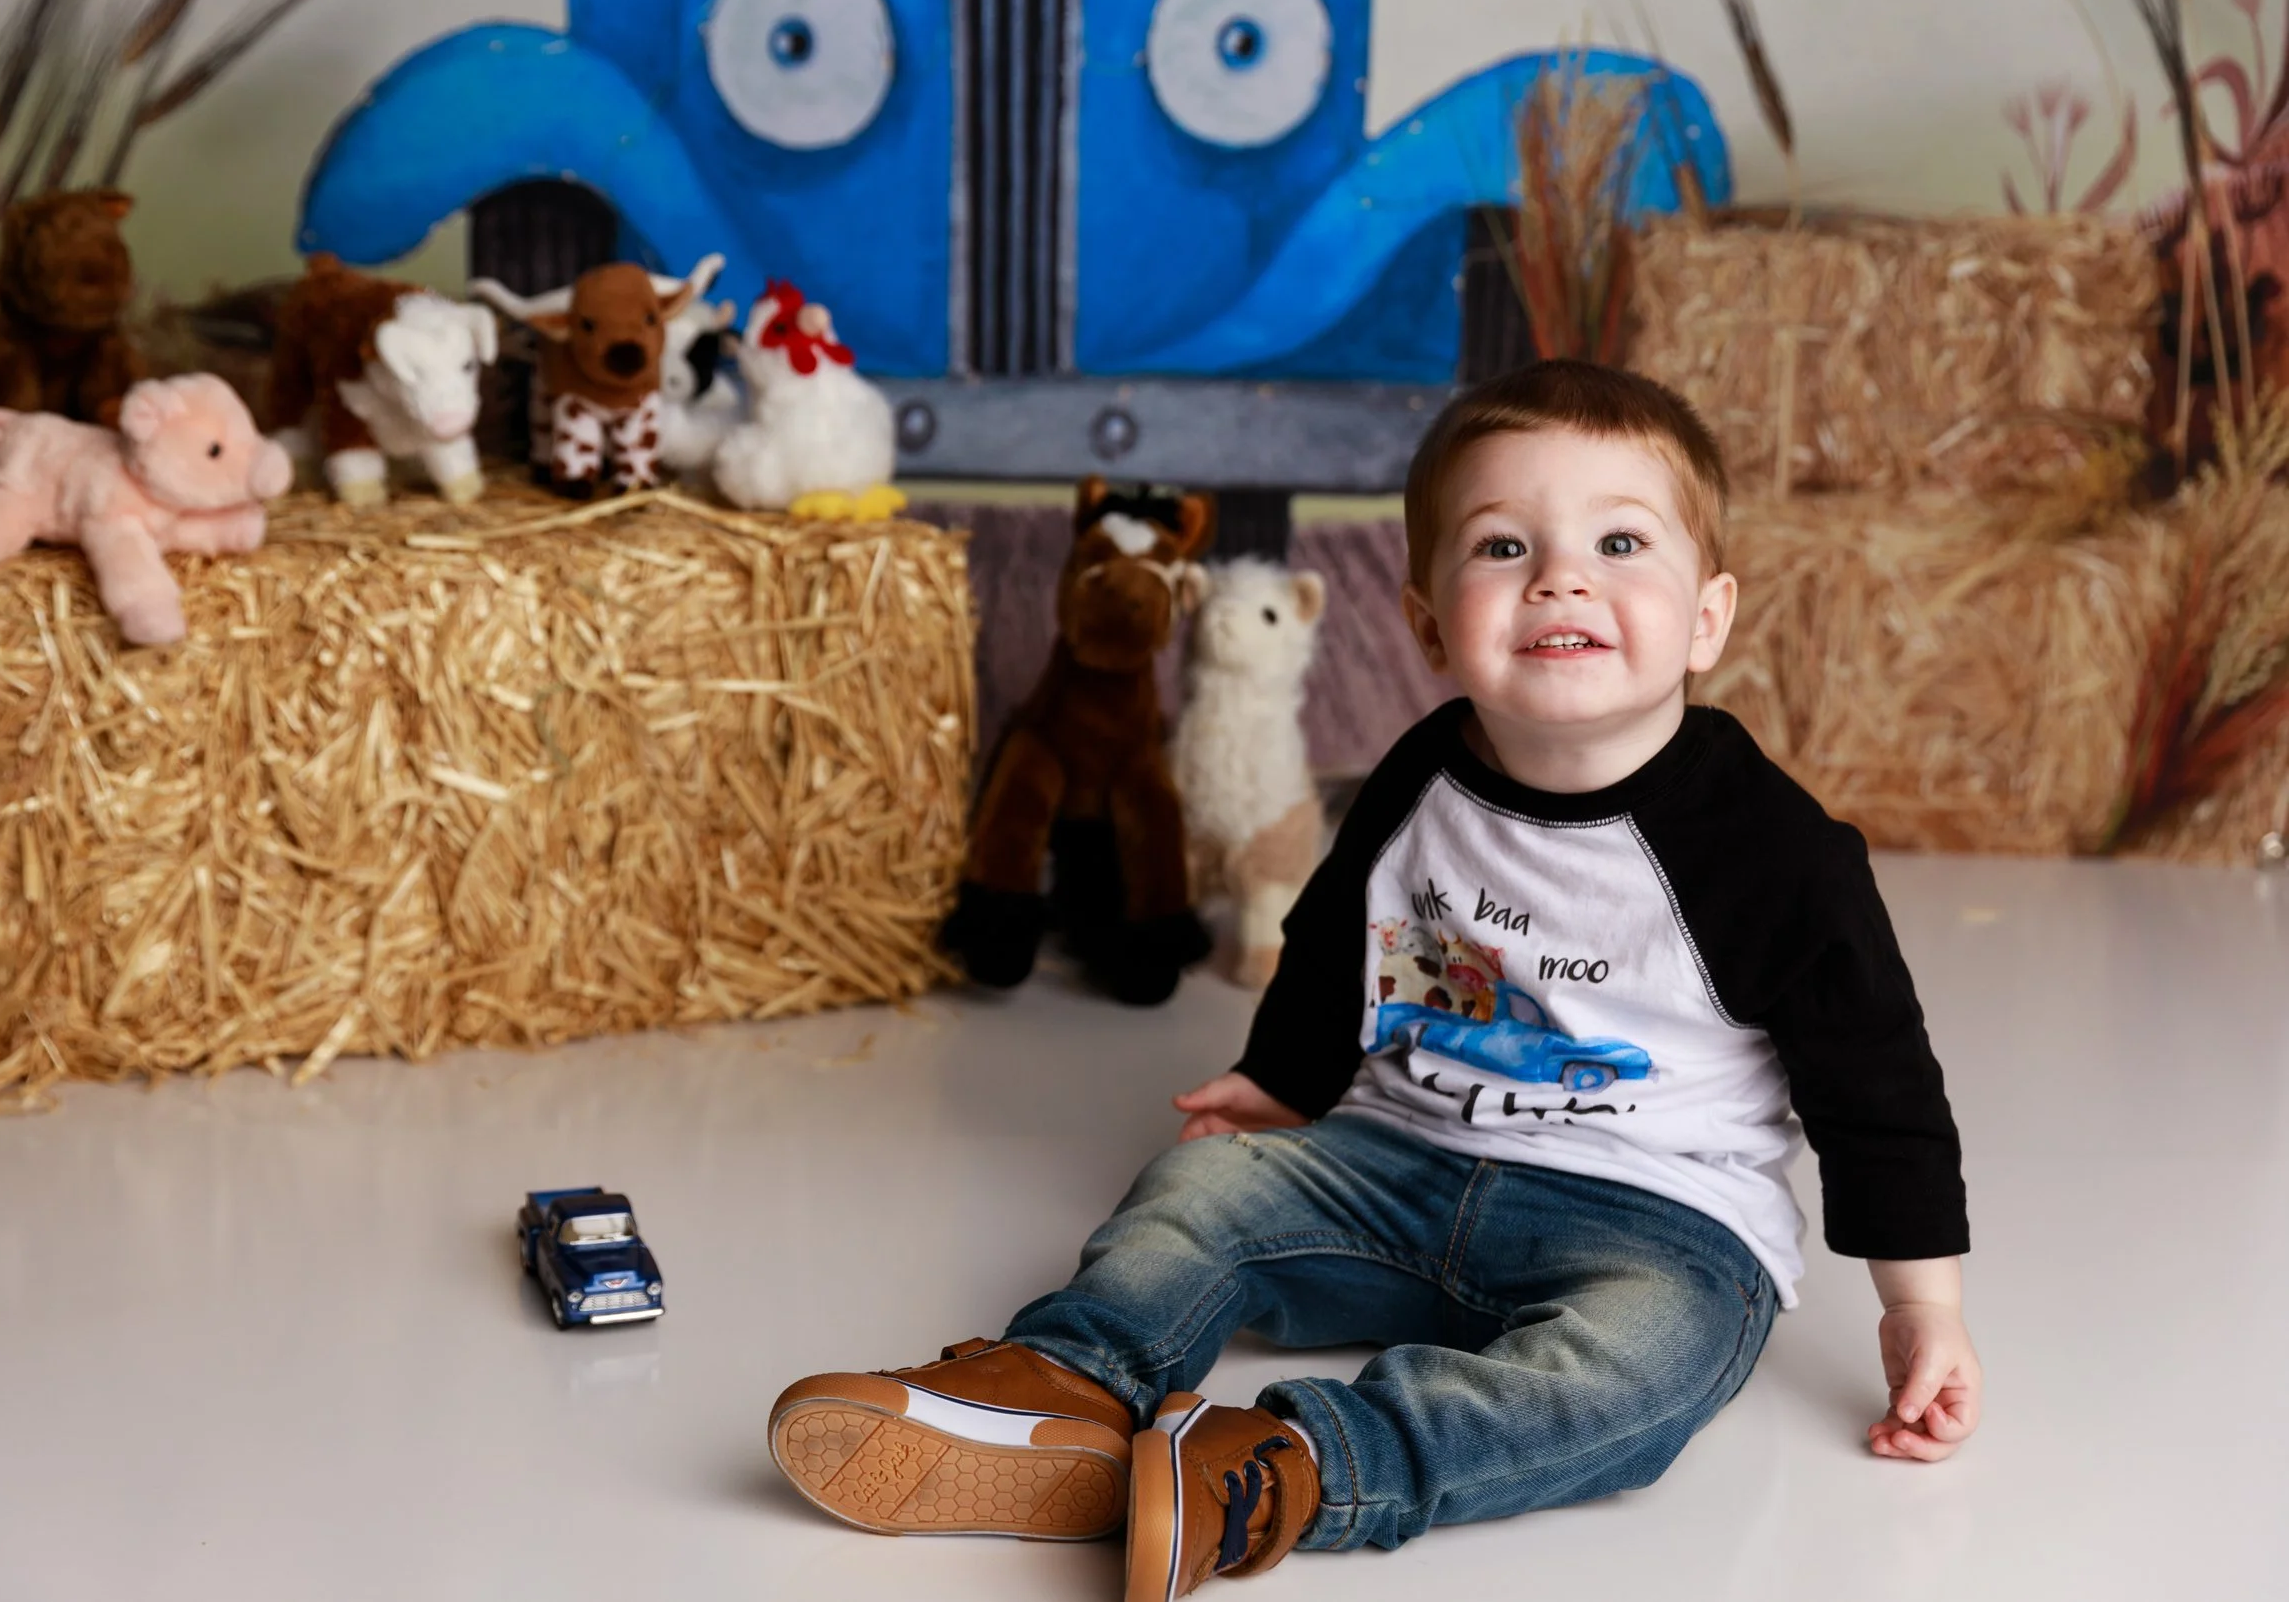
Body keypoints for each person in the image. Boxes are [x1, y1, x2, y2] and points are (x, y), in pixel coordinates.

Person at [764, 360, 1981, 1599]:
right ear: (1425, 621)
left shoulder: (1770, 849)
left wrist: (1919, 1306)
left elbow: (1875, 1082)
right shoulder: (1421, 776)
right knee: (1202, 1190)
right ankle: (1066, 1386)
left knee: (1638, 1378)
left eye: (1620, 540)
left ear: (1708, 617)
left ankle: (1284, 1464)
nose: (1563, 575)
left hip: (1658, 1218)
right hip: (1400, 1163)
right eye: (1504, 545)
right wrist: (1281, 1082)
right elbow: (1341, 927)